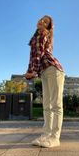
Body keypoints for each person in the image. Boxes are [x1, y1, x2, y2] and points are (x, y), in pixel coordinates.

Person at [25, 15, 65, 148]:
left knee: (56, 105)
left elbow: (39, 55)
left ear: (48, 27)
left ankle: (55, 137)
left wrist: (33, 71)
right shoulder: (35, 38)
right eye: (41, 19)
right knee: (46, 106)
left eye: (46, 21)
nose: (42, 21)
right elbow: (33, 58)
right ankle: (46, 135)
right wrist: (31, 71)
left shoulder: (43, 34)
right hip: (44, 71)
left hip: (54, 69)